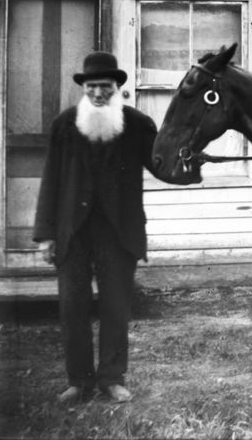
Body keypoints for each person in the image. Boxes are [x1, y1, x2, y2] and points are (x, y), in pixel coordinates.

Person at [33, 52, 160, 404]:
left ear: (117, 88)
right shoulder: (64, 124)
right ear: (84, 88)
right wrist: (45, 234)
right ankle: (78, 381)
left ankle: (112, 379)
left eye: (105, 87)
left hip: (119, 232)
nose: (99, 94)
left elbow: (161, 164)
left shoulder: (137, 124)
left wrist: (190, 159)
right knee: (72, 307)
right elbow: (51, 180)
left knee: (116, 307)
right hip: (72, 231)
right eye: (92, 87)